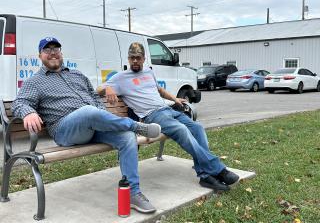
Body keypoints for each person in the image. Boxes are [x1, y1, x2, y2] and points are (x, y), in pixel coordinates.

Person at [12, 37, 161, 214]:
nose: (52, 52)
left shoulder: (77, 75)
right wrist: (28, 112)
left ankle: (133, 193)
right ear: (40, 55)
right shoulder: (34, 82)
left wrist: (100, 113)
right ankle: (135, 126)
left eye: (56, 48)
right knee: (88, 112)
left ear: (61, 53)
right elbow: (19, 103)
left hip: (91, 126)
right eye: (47, 49)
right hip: (65, 129)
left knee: (126, 137)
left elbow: (94, 97)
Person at [97, 42, 240, 192]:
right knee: (181, 130)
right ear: (128, 58)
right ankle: (218, 170)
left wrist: (175, 99)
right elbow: (98, 88)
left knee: (197, 128)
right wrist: (107, 88)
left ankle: (205, 175)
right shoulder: (121, 77)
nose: (135, 61)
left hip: (167, 109)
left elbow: (159, 90)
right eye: (132, 58)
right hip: (152, 116)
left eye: (138, 58)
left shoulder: (148, 73)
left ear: (144, 58)